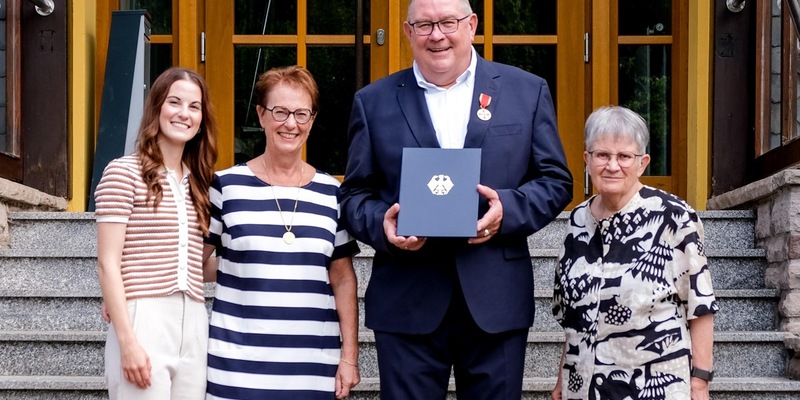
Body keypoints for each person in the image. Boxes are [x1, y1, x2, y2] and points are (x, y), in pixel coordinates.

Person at [339, 0, 573, 397]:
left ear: (472, 25)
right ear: (407, 31)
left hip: (495, 300)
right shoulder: (373, 101)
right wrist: (383, 223)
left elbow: (555, 180)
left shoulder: (526, 90)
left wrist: (507, 210)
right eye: (425, 24)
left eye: (448, 22)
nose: (437, 35)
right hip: (407, 300)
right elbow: (354, 195)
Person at [203, 65, 361, 400]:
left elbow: (343, 279)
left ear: (312, 121)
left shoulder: (331, 192)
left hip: (313, 368)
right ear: (261, 115)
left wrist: (349, 357)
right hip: (237, 365)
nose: (291, 124)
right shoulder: (225, 186)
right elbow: (194, 265)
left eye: (302, 114)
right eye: (280, 112)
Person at [551, 105, 719, 400]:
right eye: (602, 155)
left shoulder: (674, 217)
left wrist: (700, 382)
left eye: (624, 156)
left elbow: (700, 306)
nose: (612, 165)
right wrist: (561, 379)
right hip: (582, 386)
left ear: (642, 163)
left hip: (654, 386)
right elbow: (574, 315)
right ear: (586, 160)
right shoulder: (577, 220)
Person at [95, 66, 218, 399]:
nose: (184, 113)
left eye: (194, 107)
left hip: (193, 319)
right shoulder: (124, 172)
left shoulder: (202, 184)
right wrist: (128, 342)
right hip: (143, 317)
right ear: (157, 107)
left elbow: (198, 267)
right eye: (174, 102)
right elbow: (108, 263)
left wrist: (253, 254)